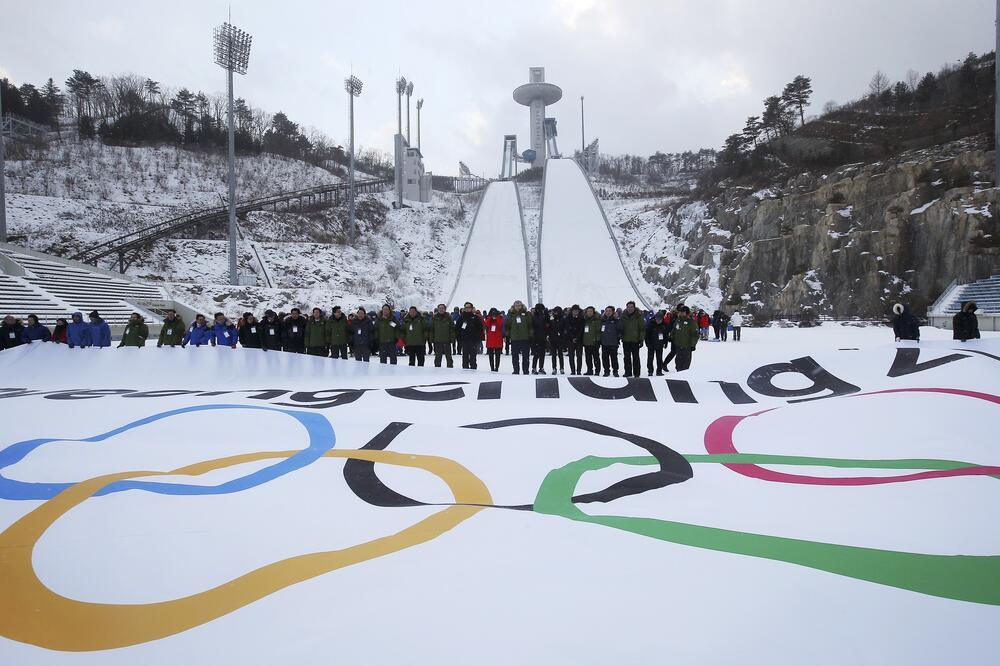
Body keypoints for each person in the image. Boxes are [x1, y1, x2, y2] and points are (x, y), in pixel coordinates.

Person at [505, 300, 533, 375]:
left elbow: (530, 324)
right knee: (514, 357)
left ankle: (526, 371)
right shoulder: (511, 314)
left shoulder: (526, 314)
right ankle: (516, 370)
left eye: (519, 305)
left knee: (526, 357)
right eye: (516, 305)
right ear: (514, 306)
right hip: (514, 339)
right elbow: (507, 324)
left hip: (525, 338)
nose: (518, 307)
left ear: (522, 306)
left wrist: (531, 334)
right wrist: (507, 334)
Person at [456, 301, 484, 370]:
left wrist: (477, 338)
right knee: (465, 356)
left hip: (473, 341)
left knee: (473, 357)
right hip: (464, 340)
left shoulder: (475, 318)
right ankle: (465, 370)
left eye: (469, 307)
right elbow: (457, 329)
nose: (467, 309)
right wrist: (459, 339)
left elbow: (480, 329)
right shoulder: (461, 318)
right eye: (466, 307)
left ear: (471, 308)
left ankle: (473, 370)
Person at [620, 300, 644, 378]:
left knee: (636, 357)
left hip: (635, 340)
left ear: (634, 307)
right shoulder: (623, 316)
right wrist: (620, 335)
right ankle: (628, 372)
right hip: (626, 340)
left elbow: (642, 329)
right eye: (628, 307)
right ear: (626, 308)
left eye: (631, 307)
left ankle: (637, 373)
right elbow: (620, 327)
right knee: (626, 357)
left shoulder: (638, 316)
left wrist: (641, 339)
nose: (630, 308)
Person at [671, 306, 699, 371]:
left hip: (687, 346)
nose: (680, 313)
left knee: (685, 364)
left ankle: (683, 376)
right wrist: (671, 337)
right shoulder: (678, 320)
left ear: (686, 313)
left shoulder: (691, 322)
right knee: (678, 363)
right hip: (678, 345)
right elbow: (674, 329)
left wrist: (693, 344)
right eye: (680, 312)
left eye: (682, 312)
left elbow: (695, 335)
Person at [599, 305, 622, 377]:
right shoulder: (602, 320)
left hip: (613, 343)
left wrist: (617, 319)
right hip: (604, 342)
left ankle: (615, 371)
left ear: (613, 312)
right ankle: (606, 371)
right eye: (606, 311)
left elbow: (620, 328)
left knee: (614, 358)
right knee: (605, 358)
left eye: (609, 311)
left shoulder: (616, 320)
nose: (608, 312)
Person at [431, 304, 456, 368]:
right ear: (438, 309)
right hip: (437, 341)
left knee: (449, 357)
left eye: (442, 308)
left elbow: (452, 329)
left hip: (446, 341)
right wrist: (431, 339)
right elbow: (432, 329)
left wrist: (452, 339)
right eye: (440, 308)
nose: (441, 309)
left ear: (445, 309)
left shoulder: (449, 317)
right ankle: (437, 370)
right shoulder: (434, 318)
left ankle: (450, 370)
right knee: (437, 358)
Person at [645, 310, 668, 376]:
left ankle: (659, 371)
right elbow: (647, 334)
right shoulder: (650, 324)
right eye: (657, 319)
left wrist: (665, 342)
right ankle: (650, 370)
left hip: (660, 344)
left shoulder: (664, 324)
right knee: (650, 358)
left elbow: (666, 334)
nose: (658, 320)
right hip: (651, 343)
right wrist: (647, 342)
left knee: (659, 358)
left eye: (659, 319)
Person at [563, 305, 585, 375]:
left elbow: (582, 329)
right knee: (571, 356)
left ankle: (578, 370)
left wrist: (577, 338)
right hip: (570, 340)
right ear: (571, 311)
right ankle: (572, 370)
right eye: (574, 311)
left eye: (577, 311)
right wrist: (572, 338)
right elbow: (567, 329)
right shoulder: (568, 319)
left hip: (579, 340)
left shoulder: (581, 319)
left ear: (579, 311)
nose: (575, 312)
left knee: (579, 356)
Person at [582, 306, 602, 375]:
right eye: (588, 311)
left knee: (596, 357)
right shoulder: (585, 320)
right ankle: (589, 370)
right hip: (587, 342)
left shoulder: (597, 319)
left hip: (595, 342)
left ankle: (597, 371)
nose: (589, 313)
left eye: (591, 311)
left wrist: (598, 340)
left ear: (593, 312)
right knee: (588, 358)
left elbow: (599, 331)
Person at [530, 303, 549, 374]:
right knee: (537, 354)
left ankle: (541, 367)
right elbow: (534, 327)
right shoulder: (534, 317)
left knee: (542, 354)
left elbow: (547, 325)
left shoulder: (544, 316)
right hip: (536, 338)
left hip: (543, 337)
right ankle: (534, 368)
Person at [484, 307, 505, 372]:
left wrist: (497, 317)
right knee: (490, 356)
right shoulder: (488, 318)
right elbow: (486, 324)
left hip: (498, 340)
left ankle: (497, 367)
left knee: (498, 356)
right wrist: (490, 317)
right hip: (490, 340)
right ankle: (492, 367)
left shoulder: (500, 318)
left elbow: (500, 324)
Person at [549, 306, 566, 374]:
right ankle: (554, 368)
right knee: (553, 354)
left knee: (560, 354)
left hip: (560, 338)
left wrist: (562, 336)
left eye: (556, 311)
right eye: (554, 311)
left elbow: (563, 327)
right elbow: (549, 327)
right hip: (552, 338)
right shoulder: (551, 318)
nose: (555, 313)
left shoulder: (562, 319)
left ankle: (561, 368)